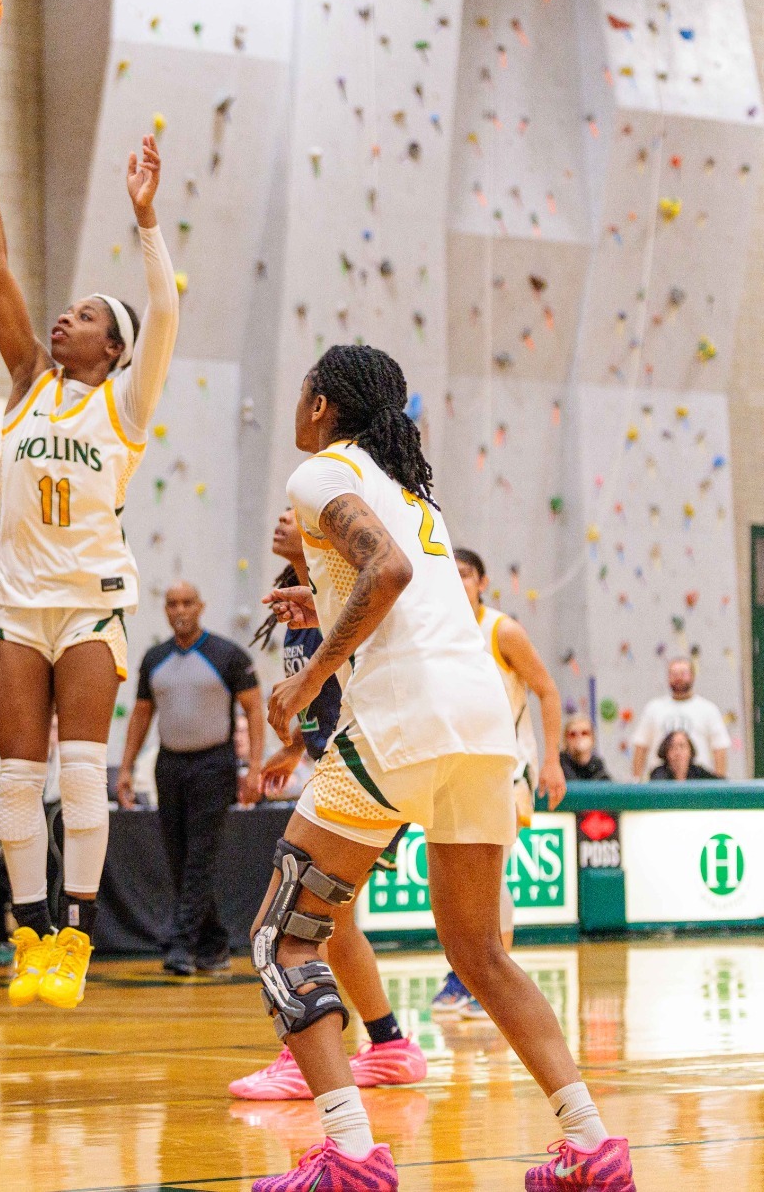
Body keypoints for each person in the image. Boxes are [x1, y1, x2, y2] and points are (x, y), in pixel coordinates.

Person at [247, 344, 632, 1191]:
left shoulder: (318, 474)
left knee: (283, 935)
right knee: (478, 948)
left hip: (403, 719)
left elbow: (384, 571)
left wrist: (309, 672)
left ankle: (349, 1153)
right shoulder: (413, 492)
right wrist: (319, 596)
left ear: (320, 406)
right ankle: (592, 1144)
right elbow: (408, 583)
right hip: (483, 725)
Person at [0, 99, 180, 1011]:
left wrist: (147, 219)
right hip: (17, 605)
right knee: (16, 780)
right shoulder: (24, 387)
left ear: (113, 347)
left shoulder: (123, 406)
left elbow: (165, 306)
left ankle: (78, 932)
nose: (61, 318)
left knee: (82, 774)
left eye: (82, 315)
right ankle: (32, 932)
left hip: (89, 601)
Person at [229, 517, 427, 1103]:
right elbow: (328, 692)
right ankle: (390, 1046)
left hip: (365, 761)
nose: (284, 518)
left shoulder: (347, 595)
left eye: (300, 516)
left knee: (298, 922)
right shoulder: (301, 603)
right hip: (333, 758)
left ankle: (306, 1055)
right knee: (333, 923)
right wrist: (295, 746)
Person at [428, 548, 567, 1018]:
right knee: (453, 877)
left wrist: (553, 760)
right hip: (454, 768)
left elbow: (547, 689)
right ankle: (466, 970)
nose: (458, 582)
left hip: (507, 769)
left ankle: (488, 972)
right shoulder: (437, 629)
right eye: (450, 574)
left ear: (482, 581)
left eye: (465, 574)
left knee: (492, 874)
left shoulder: (502, 630)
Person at [115, 580, 264, 977]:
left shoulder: (228, 655)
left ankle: (181, 945)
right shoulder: (154, 659)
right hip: (170, 765)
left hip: (215, 765)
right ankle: (213, 945)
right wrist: (126, 767)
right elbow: (142, 714)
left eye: (186, 603)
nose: (179, 610)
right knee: (179, 858)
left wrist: (254, 768)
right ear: (165, 610)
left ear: (201, 606)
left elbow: (254, 710)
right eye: (171, 603)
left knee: (200, 855)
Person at [630, 657, 731, 779]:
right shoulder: (653, 708)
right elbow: (641, 746)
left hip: (698, 784)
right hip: (660, 783)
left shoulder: (708, 709)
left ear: (692, 676)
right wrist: (636, 779)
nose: (679, 678)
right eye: (674, 674)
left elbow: (719, 748)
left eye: (683, 673)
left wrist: (719, 787)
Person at [648, 730, 719, 782]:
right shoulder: (658, 774)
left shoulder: (698, 772)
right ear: (666, 752)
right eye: (672, 747)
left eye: (682, 746)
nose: (678, 752)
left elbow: (721, 784)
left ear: (690, 750)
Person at [560, 717, 612, 782]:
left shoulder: (597, 763)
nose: (579, 737)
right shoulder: (559, 762)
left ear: (592, 739)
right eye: (573, 734)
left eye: (584, 733)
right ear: (565, 739)